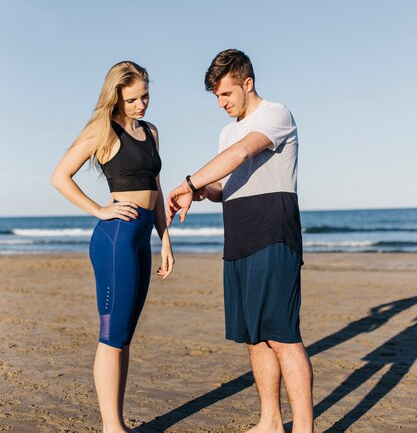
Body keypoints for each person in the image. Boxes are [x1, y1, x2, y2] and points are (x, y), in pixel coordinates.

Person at [166, 49, 313, 433]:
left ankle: (304, 428)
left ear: (247, 83)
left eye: (226, 94)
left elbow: (243, 151)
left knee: (283, 336)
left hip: (273, 234)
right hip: (239, 239)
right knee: (255, 337)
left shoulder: (276, 114)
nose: (221, 103)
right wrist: (202, 192)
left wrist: (190, 182)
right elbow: (224, 183)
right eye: (216, 96)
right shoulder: (226, 130)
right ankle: (270, 421)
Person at [52, 60, 174, 433]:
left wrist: (165, 239)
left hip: (141, 239)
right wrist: (100, 210)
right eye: (133, 99)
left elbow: (156, 188)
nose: (141, 105)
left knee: (124, 337)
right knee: (112, 336)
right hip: (116, 238)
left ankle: (116, 423)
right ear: (116, 97)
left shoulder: (151, 131)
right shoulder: (102, 129)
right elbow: (60, 176)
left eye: (145, 96)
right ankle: (112, 428)